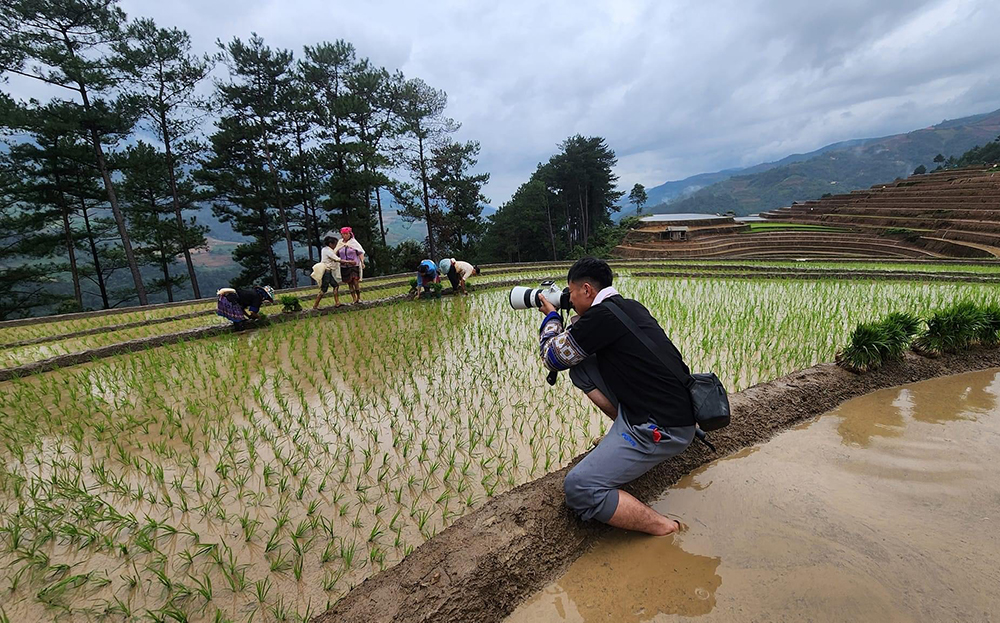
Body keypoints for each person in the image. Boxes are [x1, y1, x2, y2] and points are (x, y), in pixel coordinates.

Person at [538, 257, 695, 536]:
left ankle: (665, 528)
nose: (569, 300)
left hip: (661, 426)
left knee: (580, 487)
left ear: (587, 290)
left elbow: (552, 357)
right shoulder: (629, 307)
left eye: (571, 292)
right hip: (672, 408)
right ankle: (623, 429)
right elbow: (578, 348)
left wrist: (551, 318)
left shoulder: (600, 319)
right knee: (582, 367)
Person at [312, 235, 344, 309]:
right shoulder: (328, 251)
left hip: (327, 271)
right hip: (326, 272)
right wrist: (349, 262)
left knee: (335, 286)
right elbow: (336, 259)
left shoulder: (325, 249)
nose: (335, 246)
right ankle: (315, 305)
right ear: (330, 244)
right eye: (335, 244)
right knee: (324, 289)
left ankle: (337, 302)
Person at [335, 227, 366, 304]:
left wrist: (362, 262)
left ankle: (359, 298)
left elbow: (360, 252)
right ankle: (354, 298)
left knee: (355, 281)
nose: (345, 235)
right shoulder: (340, 243)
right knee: (349, 283)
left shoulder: (354, 243)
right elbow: (336, 253)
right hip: (344, 266)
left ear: (350, 234)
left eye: (346, 234)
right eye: (343, 234)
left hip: (354, 265)